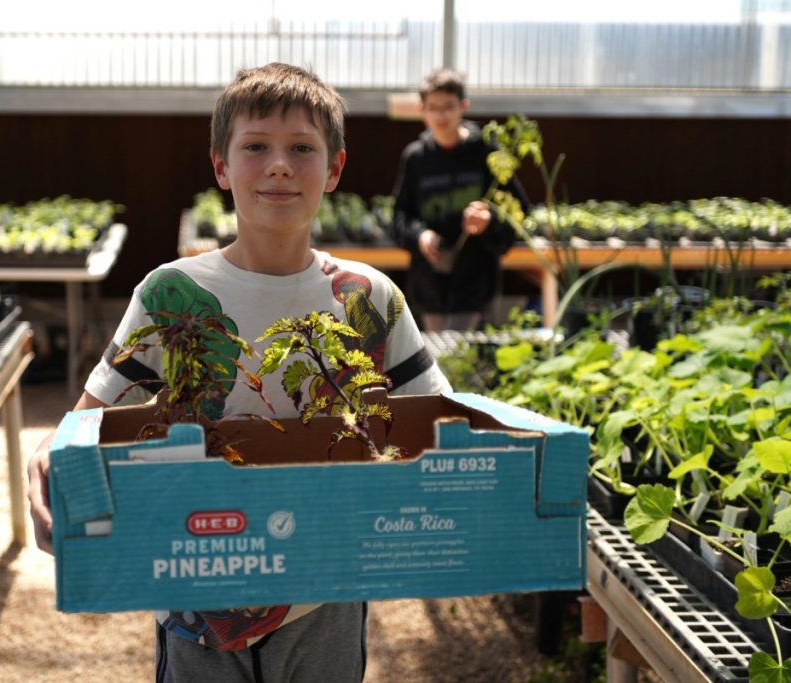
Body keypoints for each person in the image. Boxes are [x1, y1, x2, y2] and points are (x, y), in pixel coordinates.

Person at [27, 62, 451, 683]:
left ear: (334, 169)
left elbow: (436, 418)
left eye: (302, 148)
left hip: (324, 588)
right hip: (194, 585)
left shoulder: (370, 299)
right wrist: (51, 447)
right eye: (255, 146)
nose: (279, 165)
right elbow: (90, 415)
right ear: (221, 166)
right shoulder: (169, 293)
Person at [390, 67, 528, 332]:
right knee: (437, 355)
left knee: (459, 356)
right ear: (422, 110)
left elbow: (520, 210)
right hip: (430, 281)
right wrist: (420, 235)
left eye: (448, 107)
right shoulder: (416, 158)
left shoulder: (486, 151)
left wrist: (490, 220)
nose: (441, 115)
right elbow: (399, 217)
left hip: (475, 279)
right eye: (433, 107)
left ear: (463, 106)